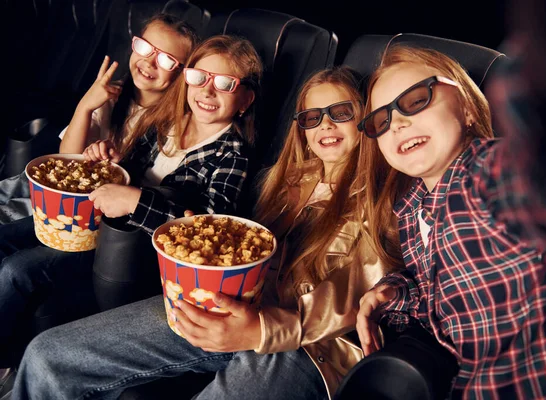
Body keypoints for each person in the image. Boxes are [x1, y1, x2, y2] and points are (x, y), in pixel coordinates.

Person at [11, 66, 391, 400]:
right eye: (311, 117)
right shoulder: (288, 181)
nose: (324, 124)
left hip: (309, 347)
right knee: (49, 355)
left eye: (340, 113)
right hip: (230, 305)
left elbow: (359, 288)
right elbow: (244, 249)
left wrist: (265, 329)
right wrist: (203, 240)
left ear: (366, 119)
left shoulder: (384, 197)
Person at [0, 33, 261, 375]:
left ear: (245, 100)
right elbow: (130, 169)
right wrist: (110, 160)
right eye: (199, 77)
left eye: (226, 84)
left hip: (128, 252)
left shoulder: (232, 153)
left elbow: (210, 229)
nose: (207, 91)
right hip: (96, 220)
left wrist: (136, 201)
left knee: (17, 271)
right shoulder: (166, 122)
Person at [353, 45, 546, 398]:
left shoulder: (489, 172)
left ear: (467, 108)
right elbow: (444, 301)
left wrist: (538, 73)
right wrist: (394, 293)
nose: (398, 123)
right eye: (381, 120)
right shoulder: (409, 212)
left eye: (416, 100)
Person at [0, 12, 199, 224]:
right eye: (144, 47)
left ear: (182, 73)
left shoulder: (177, 125)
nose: (149, 62)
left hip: (89, 206)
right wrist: (85, 106)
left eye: (166, 60)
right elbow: (67, 157)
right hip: (67, 181)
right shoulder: (112, 94)